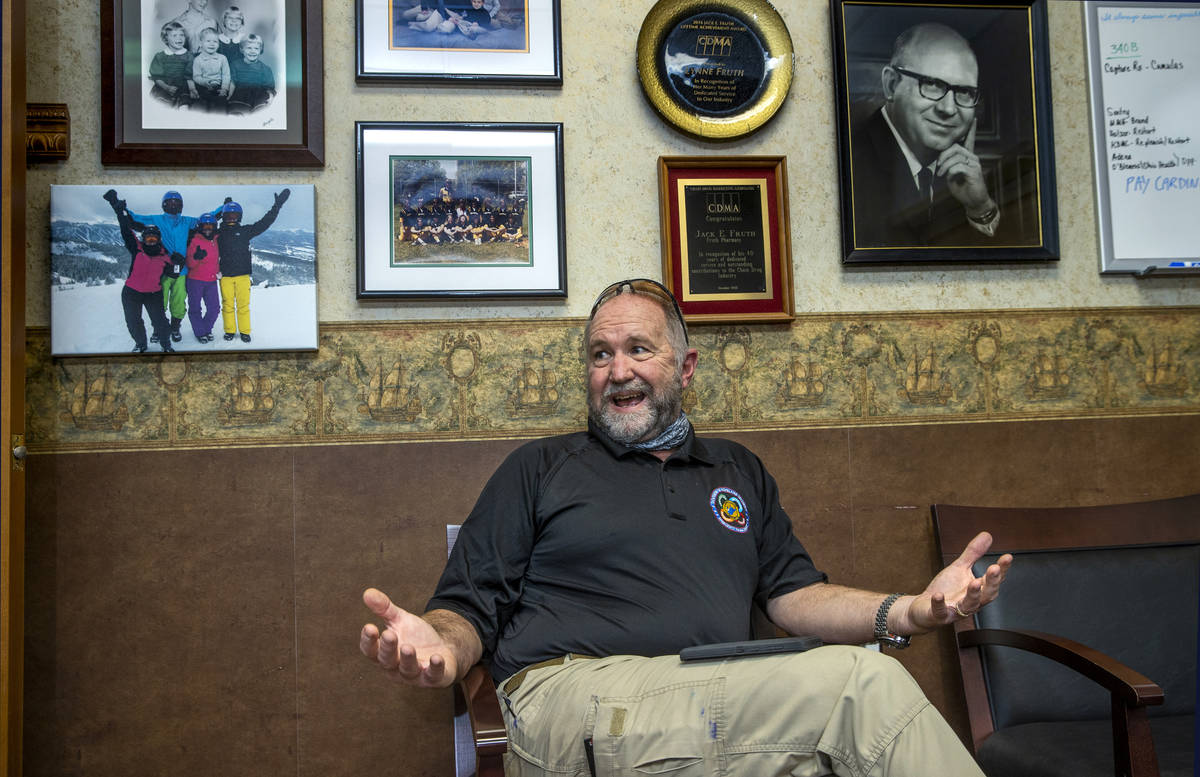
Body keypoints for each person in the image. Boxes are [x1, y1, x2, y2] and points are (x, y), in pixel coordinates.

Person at [360, 278, 1013, 777]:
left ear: (687, 366)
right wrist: (441, 648)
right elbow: (467, 607)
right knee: (863, 687)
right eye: (600, 354)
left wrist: (913, 610)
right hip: (571, 696)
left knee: (841, 736)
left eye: (638, 349)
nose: (618, 372)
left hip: (716, 697)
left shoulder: (737, 469)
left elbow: (794, 594)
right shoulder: (540, 467)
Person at [850, 22, 1032, 249]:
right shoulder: (850, 162)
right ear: (891, 85)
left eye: (964, 92)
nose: (948, 108)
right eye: (933, 84)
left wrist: (980, 207)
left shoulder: (961, 177)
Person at [123, 189, 224, 344]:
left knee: (178, 301)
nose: (173, 205)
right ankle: (158, 328)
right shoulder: (156, 219)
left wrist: (223, 208)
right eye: (170, 202)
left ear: (181, 205)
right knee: (160, 302)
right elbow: (135, 218)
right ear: (164, 205)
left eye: (176, 202)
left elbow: (206, 219)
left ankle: (175, 327)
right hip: (163, 270)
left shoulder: (187, 221)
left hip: (182, 271)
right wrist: (121, 208)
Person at [103, 190, 174, 354]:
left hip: (154, 293)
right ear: (143, 239)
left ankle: (166, 344)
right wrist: (118, 209)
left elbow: (173, 273)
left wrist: (178, 262)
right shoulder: (137, 249)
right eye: (147, 238)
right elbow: (126, 230)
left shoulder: (165, 256)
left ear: (158, 240)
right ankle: (141, 344)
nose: (150, 241)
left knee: (160, 321)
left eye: (153, 239)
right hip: (131, 293)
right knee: (133, 321)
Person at [216, 189, 290, 343]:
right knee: (227, 305)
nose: (231, 219)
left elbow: (264, 223)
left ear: (240, 217)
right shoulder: (218, 233)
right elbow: (204, 229)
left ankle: (244, 331)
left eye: (234, 216)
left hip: (243, 275)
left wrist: (276, 207)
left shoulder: (245, 231)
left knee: (243, 306)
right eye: (228, 216)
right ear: (223, 217)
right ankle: (229, 330)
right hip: (225, 276)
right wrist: (220, 210)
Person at [184, 213, 221, 343]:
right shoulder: (195, 240)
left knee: (215, 308)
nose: (208, 228)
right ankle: (200, 332)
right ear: (200, 227)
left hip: (211, 281)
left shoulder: (216, 239)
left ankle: (205, 328)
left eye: (210, 226)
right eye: (205, 226)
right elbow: (190, 264)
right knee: (195, 308)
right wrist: (196, 257)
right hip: (195, 280)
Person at [148, 21, 196, 108]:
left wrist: (192, 89)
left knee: (184, 107)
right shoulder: (160, 56)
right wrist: (166, 87)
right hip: (164, 85)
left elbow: (189, 76)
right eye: (174, 35)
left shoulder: (189, 56)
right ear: (166, 38)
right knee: (161, 105)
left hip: (183, 87)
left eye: (181, 35)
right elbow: (157, 77)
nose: (179, 38)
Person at [227, 35, 275, 115]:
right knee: (236, 113)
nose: (252, 51)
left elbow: (270, 88)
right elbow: (232, 82)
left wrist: (271, 98)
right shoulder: (235, 65)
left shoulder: (265, 69)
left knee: (261, 113)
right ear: (242, 50)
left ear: (260, 50)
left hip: (259, 95)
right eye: (249, 48)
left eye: (256, 48)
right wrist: (229, 96)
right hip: (240, 95)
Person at [191, 27, 231, 113]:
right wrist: (204, 82)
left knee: (220, 108)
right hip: (203, 87)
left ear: (218, 44)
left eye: (215, 41)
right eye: (208, 41)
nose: (212, 44)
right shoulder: (197, 60)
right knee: (199, 107)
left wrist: (224, 89)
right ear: (201, 43)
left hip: (219, 88)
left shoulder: (222, 58)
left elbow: (226, 75)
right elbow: (196, 76)